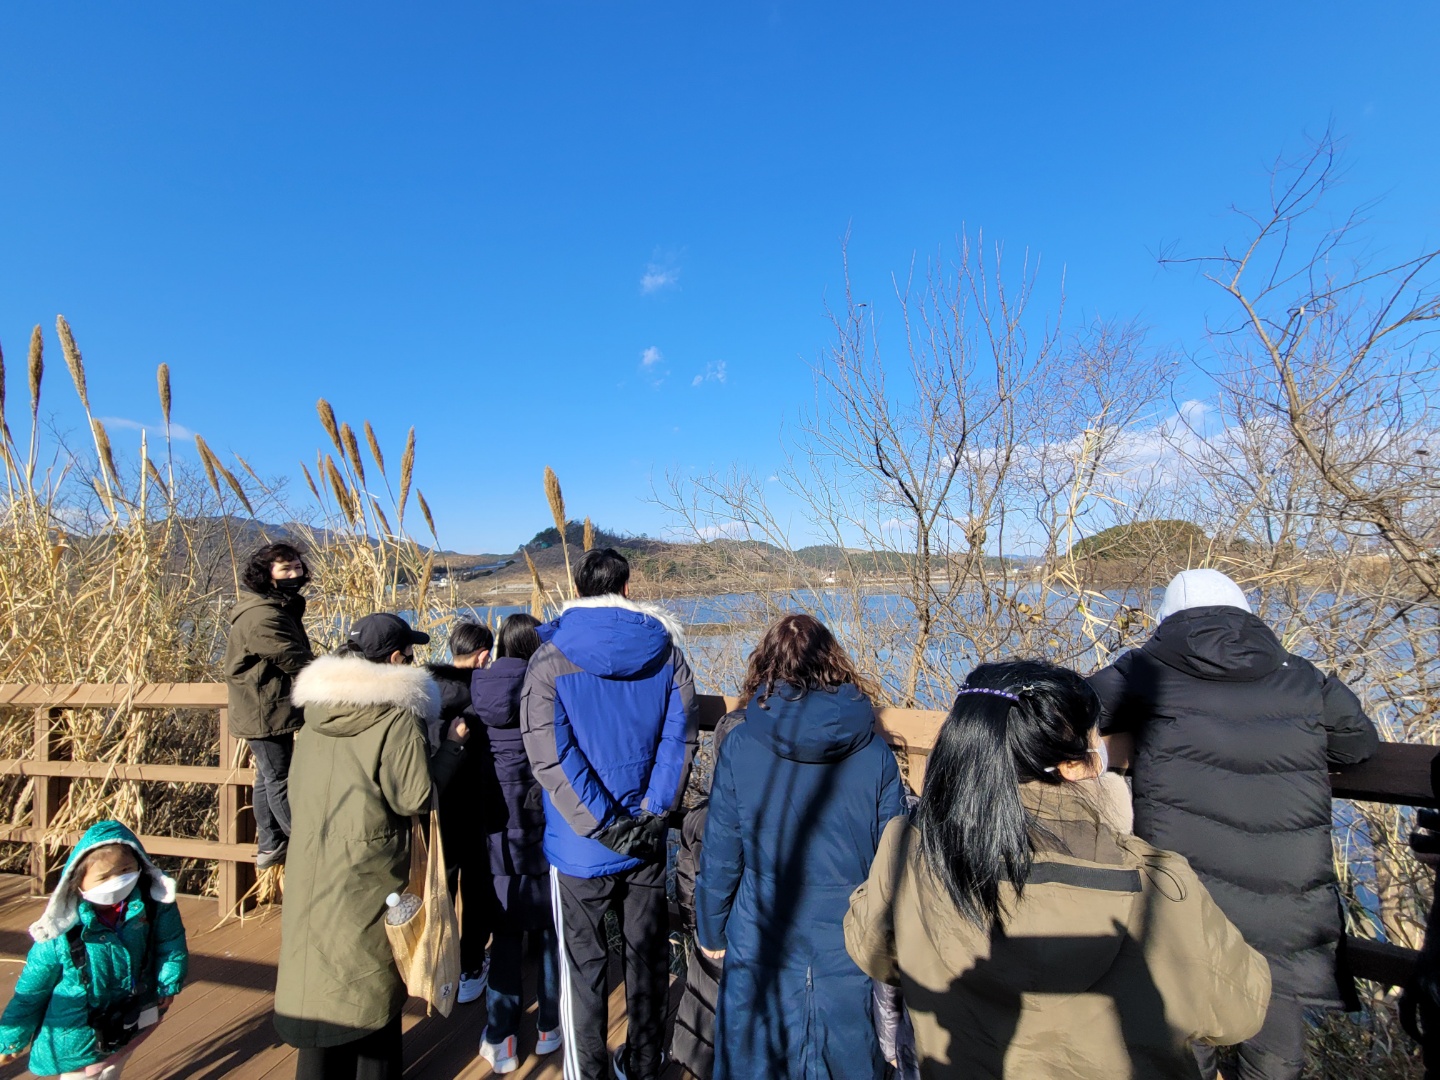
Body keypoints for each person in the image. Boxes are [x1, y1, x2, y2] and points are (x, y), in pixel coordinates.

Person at [845, 660, 1273, 1078]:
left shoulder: (910, 852)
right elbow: (1241, 1012)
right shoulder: (1159, 887)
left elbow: (870, 948)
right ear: (1072, 765)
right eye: (1094, 740)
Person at [1089, 568, 1380, 1080]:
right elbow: (1356, 744)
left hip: (1187, 891)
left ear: (1167, 619)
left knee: (1185, 1031)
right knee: (1276, 1031)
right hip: (1287, 893)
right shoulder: (1300, 674)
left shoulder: (1147, 670)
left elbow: (1072, 712)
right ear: (1246, 614)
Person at [694, 613, 902, 1080]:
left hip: (762, 933)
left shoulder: (740, 745)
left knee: (756, 1058)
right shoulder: (875, 754)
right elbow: (891, 868)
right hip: (849, 942)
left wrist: (711, 929)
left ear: (765, 667)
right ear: (834, 663)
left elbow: (722, 852)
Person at [521, 547, 697, 1080]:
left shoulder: (548, 661)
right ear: (625, 588)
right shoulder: (666, 653)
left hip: (582, 846)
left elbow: (551, 756)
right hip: (645, 838)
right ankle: (644, 1062)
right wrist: (653, 810)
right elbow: (680, 735)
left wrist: (603, 824)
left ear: (578, 591)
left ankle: (590, 1072)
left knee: (584, 967)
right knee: (647, 957)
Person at [274, 612, 467, 1080]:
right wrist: (452, 747)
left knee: (321, 978)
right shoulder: (396, 714)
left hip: (313, 859)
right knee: (371, 984)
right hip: (368, 865)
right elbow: (413, 797)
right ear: (396, 658)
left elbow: (295, 787)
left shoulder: (317, 712)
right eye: (411, 653)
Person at [0, 821, 189, 1079]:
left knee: (114, 1065)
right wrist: (10, 1040)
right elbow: (33, 990)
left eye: (125, 869)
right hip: (77, 1030)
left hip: (130, 1013)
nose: (117, 880)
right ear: (78, 881)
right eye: (104, 876)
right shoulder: (61, 930)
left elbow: (170, 942)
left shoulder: (152, 903)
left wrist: (168, 983)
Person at [470, 613, 561, 1072]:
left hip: (497, 830)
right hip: (542, 825)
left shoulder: (477, 691)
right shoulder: (545, 687)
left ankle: (502, 1037)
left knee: (505, 929)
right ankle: (549, 1026)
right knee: (547, 930)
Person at [223, 542, 315, 869]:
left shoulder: (275, 606)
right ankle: (304, 844)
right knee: (279, 777)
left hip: (264, 704)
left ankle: (270, 843)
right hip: (263, 708)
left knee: (267, 775)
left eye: (297, 567)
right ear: (267, 574)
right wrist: (336, 678)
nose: (294, 574)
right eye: (285, 569)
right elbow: (293, 659)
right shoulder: (262, 616)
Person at [669, 706, 746, 1079]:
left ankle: (693, 1061)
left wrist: (693, 924)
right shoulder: (764, 822)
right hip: (745, 942)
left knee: (701, 1010)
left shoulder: (699, 818)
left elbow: (685, 883)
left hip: (708, 940)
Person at [426, 620, 494, 1005]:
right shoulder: (481, 695)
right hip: (477, 805)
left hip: (438, 804)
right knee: (478, 887)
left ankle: (437, 965)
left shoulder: (426, 693)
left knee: (443, 885)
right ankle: (470, 966)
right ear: (482, 656)